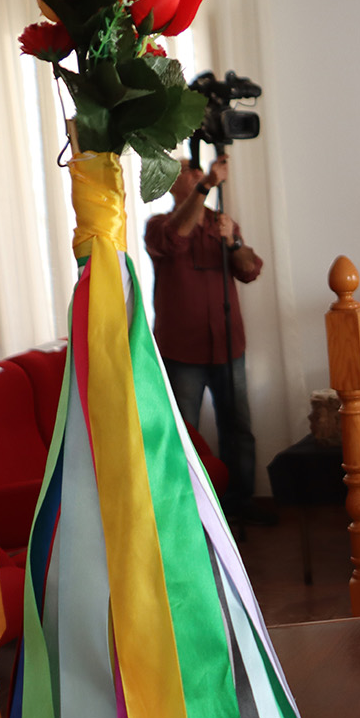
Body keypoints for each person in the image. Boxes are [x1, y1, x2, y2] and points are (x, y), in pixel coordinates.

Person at [145, 154, 276, 526]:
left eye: (196, 169)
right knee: (184, 433)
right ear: (172, 184)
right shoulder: (158, 226)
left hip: (227, 345)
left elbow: (250, 270)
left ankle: (240, 501)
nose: (195, 173)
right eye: (186, 171)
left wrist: (231, 240)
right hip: (181, 350)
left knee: (238, 428)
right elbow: (175, 238)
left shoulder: (221, 224)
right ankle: (186, 512)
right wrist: (206, 187)